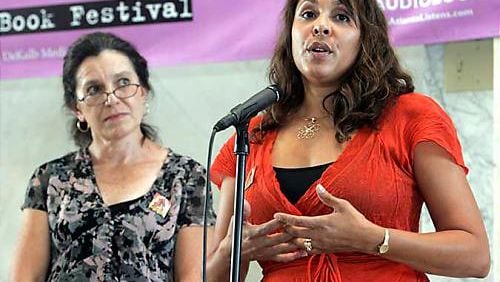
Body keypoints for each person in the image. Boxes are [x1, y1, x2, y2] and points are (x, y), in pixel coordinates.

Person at [207, 0, 490, 281]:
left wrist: (373, 239)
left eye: (342, 17)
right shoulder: (252, 135)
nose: (320, 26)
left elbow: (474, 257)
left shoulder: (410, 116)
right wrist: (232, 252)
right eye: (308, 14)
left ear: (366, 38)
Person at [11, 32, 216, 281]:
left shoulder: (187, 176)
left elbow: (194, 277)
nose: (111, 98)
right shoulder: (49, 178)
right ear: (78, 109)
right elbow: (24, 277)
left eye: (123, 83)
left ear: (143, 91)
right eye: (94, 89)